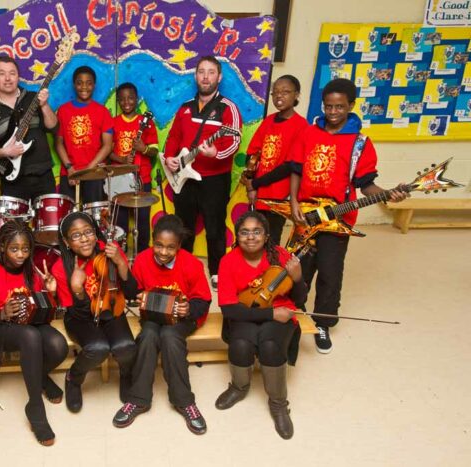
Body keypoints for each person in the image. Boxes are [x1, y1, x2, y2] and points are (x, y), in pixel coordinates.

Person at [287, 78, 408, 353]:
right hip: (306, 216)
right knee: (298, 269)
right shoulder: (308, 133)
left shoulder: (360, 142)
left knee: (330, 273)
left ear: (351, 106)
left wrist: (388, 192)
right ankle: (293, 316)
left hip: (338, 220)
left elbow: (366, 185)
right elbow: (296, 169)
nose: (332, 112)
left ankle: (322, 324)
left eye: (339, 107)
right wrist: (294, 202)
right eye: (328, 106)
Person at [0, 220, 67, 446]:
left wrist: (51, 293)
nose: (21, 254)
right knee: (30, 336)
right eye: (14, 249)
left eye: (25, 249)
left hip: (29, 322)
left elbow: (42, 309)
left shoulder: (32, 271)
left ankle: (39, 377)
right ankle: (35, 406)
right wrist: (0, 315)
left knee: (59, 346)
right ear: (2, 247)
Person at [112, 214, 211, 434]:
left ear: (179, 246)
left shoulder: (191, 263)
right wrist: (138, 296)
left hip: (182, 318)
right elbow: (134, 291)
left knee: (169, 337)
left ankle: (184, 401)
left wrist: (189, 309)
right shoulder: (142, 259)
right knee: (147, 336)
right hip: (153, 316)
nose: (163, 252)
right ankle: (139, 399)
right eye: (158, 245)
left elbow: (203, 299)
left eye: (170, 247)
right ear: (152, 242)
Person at [216, 211, 307, 439]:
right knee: (240, 344)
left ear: (266, 236)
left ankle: (278, 403)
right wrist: (270, 313)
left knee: (270, 346)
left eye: (257, 232)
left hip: (282, 314)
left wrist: (297, 278)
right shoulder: (228, 261)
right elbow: (228, 309)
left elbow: (300, 299)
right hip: (247, 312)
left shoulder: (280, 255)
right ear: (237, 236)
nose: (250, 237)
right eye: (244, 232)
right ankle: (239, 387)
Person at [162, 55, 242, 290]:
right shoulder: (185, 107)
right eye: (201, 72)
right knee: (183, 224)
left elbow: (235, 139)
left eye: (211, 72)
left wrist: (215, 153)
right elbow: (174, 136)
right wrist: (169, 157)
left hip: (214, 179)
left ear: (219, 77)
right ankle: (182, 266)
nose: (205, 77)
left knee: (214, 225)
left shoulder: (228, 108)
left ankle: (216, 271)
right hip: (184, 178)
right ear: (195, 76)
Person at [51, 212, 137, 413]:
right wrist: (77, 289)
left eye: (88, 232)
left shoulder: (111, 252)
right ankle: (73, 378)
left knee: (126, 346)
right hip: (81, 318)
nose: (84, 239)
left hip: (110, 309)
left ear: (96, 233)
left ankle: (126, 374)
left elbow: (132, 292)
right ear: (66, 241)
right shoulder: (61, 268)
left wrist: (121, 263)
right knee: (98, 348)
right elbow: (79, 314)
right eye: (76, 235)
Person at [0, 56, 58, 201]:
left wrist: (45, 105)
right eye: (2, 74)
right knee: (14, 224)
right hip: (12, 181)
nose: (8, 78)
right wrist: (5, 151)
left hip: (44, 176)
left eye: (12, 73)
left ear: (18, 76)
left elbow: (53, 127)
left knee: (49, 223)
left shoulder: (34, 98)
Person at [241, 75, 308, 244]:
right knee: (256, 238)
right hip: (259, 192)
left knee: (271, 240)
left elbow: (289, 166)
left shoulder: (301, 126)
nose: (279, 96)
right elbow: (252, 154)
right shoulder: (269, 120)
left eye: (285, 92)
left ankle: (271, 271)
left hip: (279, 195)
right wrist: (250, 183)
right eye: (275, 92)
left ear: (296, 95)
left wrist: (256, 184)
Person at [109, 82, 159, 252]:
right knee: (119, 224)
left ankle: (142, 258)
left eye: (130, 98)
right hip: (119, 181)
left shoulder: (145, 123)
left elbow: (154, 151)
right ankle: (120, 258)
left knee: (142, 223)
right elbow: (107, 151)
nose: (127, 102)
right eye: (122, 99)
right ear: (118, 101)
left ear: (137, 100)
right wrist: (121, 160)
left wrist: (143, 149)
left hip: (142, 180)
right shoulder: (113, 122)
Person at [55, 66, 113, 204]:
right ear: (74, 85)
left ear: (94, 85)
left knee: (93, 217)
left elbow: (107, 145)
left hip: (94, 173)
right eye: (80, 82)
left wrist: (88, 169)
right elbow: (58, 143)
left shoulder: (103, 112)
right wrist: (70, 169)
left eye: (89, 83)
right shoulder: (63, 110)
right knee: (68, 217)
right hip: (69, 172)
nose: (84, 87)